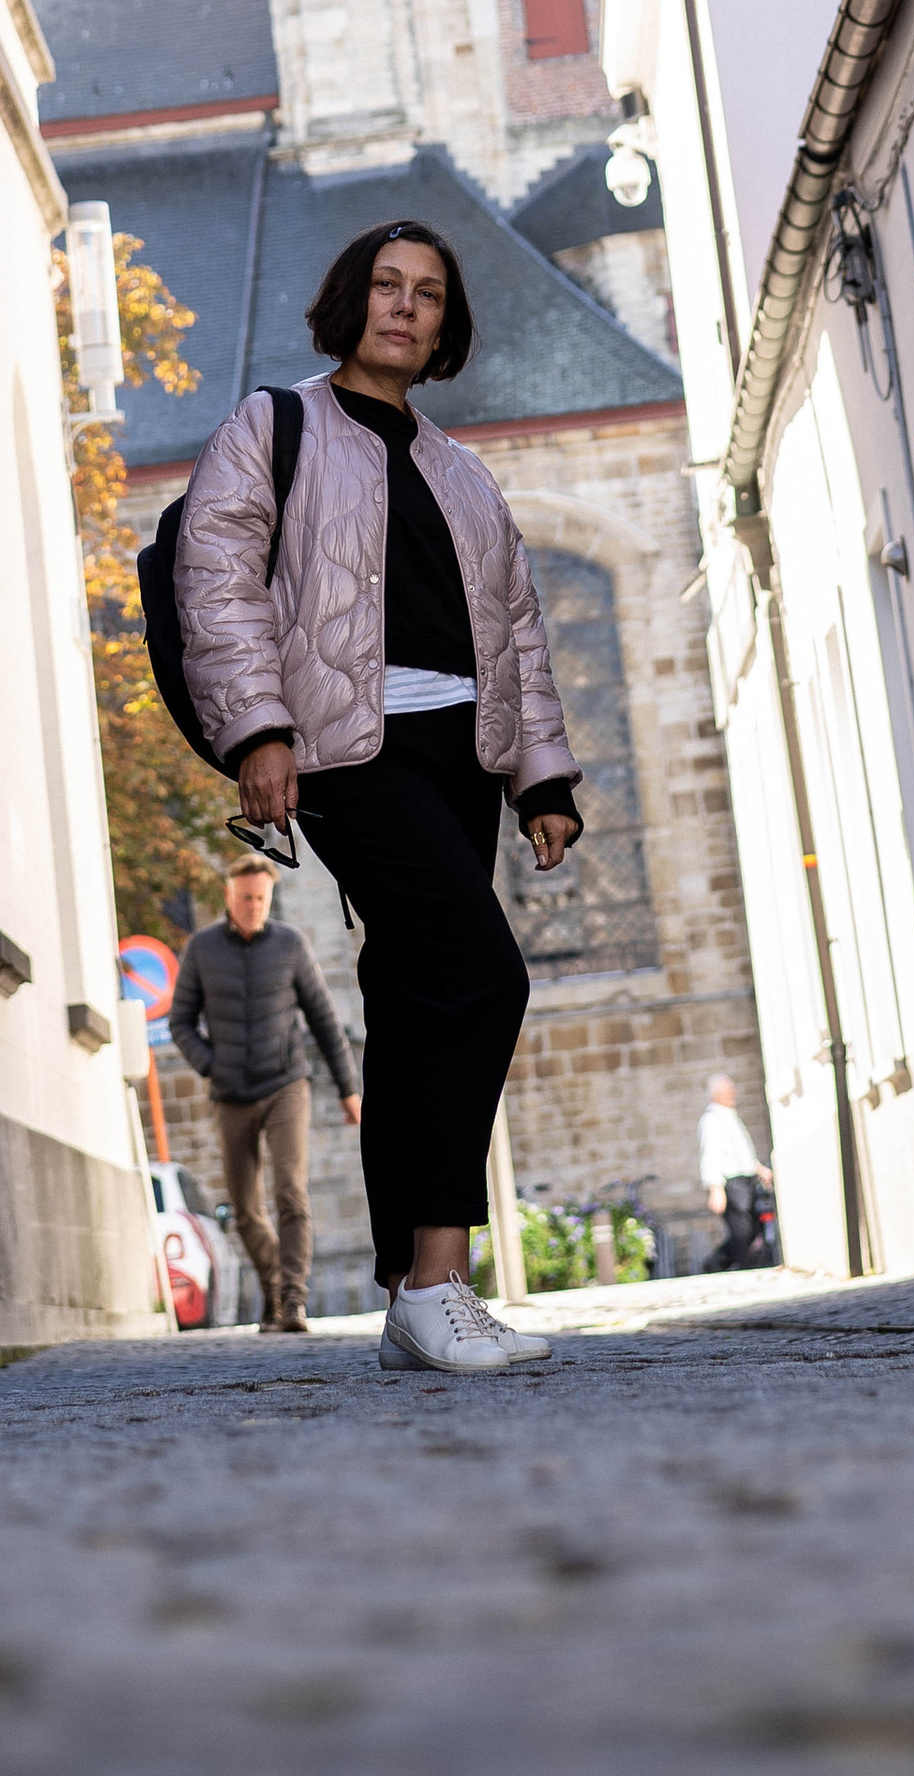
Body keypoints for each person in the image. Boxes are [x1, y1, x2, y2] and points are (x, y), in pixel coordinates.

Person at [174, 218, 584, 1379]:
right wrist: (257, 728)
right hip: (349, 754)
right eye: (387, 287)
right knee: (480, 973)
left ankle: (414, 1295)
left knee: (413, 1003)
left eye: (429, 296)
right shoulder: (278, 426)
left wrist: (542, 775)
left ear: (447, 327)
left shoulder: (462, 473)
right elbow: (216, 579)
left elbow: (516, 631)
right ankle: (442, 1275)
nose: (405, 308)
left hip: (460, 752)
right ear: (349, 299)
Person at [167, 853, 361, 1336]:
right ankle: (275, 1287)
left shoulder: (290, 944)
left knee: (290, 1191)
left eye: (261, 898)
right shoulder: (202, 948)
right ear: (229, 897)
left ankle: (292, 1301)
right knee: (245, 1206)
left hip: (285, 1086)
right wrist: (213, 1065)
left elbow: (323, 1020)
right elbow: (180, 1022)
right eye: (245, 898)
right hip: (231, 1093)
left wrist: (348, 1088)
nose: (253, 906)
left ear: (269, 898)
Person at [698, 1069, 776, 1270]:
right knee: (743, 1233)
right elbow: (711, 1155)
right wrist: (715, 1188)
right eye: (730, 1090)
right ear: (717, 1094)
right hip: (731, 1183)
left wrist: (758, 1169)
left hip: (746, 1179)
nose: (735, 1093)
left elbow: (741, 1152)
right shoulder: (712, 1120)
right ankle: (719, 1264)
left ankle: (725, 1264)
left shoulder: (730, 1116)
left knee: (753, 1229)